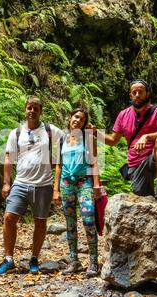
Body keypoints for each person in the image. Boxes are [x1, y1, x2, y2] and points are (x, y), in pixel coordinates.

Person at [0, 96, 64, 275]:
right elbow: (8, 158)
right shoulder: (16, 133)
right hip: (21, 183)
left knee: (40, 222)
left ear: (41, 111)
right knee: (9, 217)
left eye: (36, 108)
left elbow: (69, 139)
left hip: (44, 184)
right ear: (25, 109)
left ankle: (34, 258)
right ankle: (8, 259)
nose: (32, 111)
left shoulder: (49, 130)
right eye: (29, 108)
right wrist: (6, 183)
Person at [91, 79, 157, 203]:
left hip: (154, 158)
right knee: (144, 199)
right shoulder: (123, 115)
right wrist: (95, 132)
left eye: (141, 92)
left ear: (147, 94)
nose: (137, 95)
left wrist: (146, 136)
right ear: (130, 95)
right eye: (134, 92)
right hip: (136, 165)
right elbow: (113, 140)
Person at [54, 108, 101, 278]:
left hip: (84, 182)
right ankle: (74, 260)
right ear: (70, 118)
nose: (77, 120)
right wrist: (55, 189)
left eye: (81, 119)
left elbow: (94, 162)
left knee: (88, 220)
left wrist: (96, 185)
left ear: (84, 123)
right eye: (76, 117)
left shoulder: (88, 139)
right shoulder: (62, 139)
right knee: (70, 223)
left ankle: (93, 261)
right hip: (66, 183)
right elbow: (58, 165)